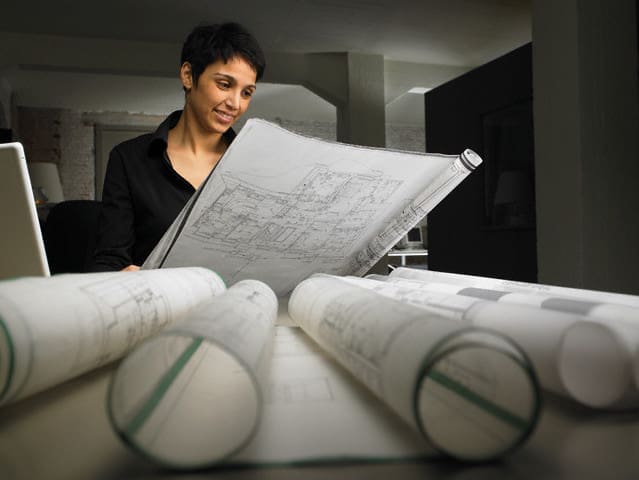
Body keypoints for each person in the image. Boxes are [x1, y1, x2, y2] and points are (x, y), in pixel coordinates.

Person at [92, 22, 265, 271]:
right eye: (224, 85)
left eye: (247, 93)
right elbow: (108, 261)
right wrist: (122, 275)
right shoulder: (128, 159)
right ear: (188, 76)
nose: (235, 104)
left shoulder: (255, 167)